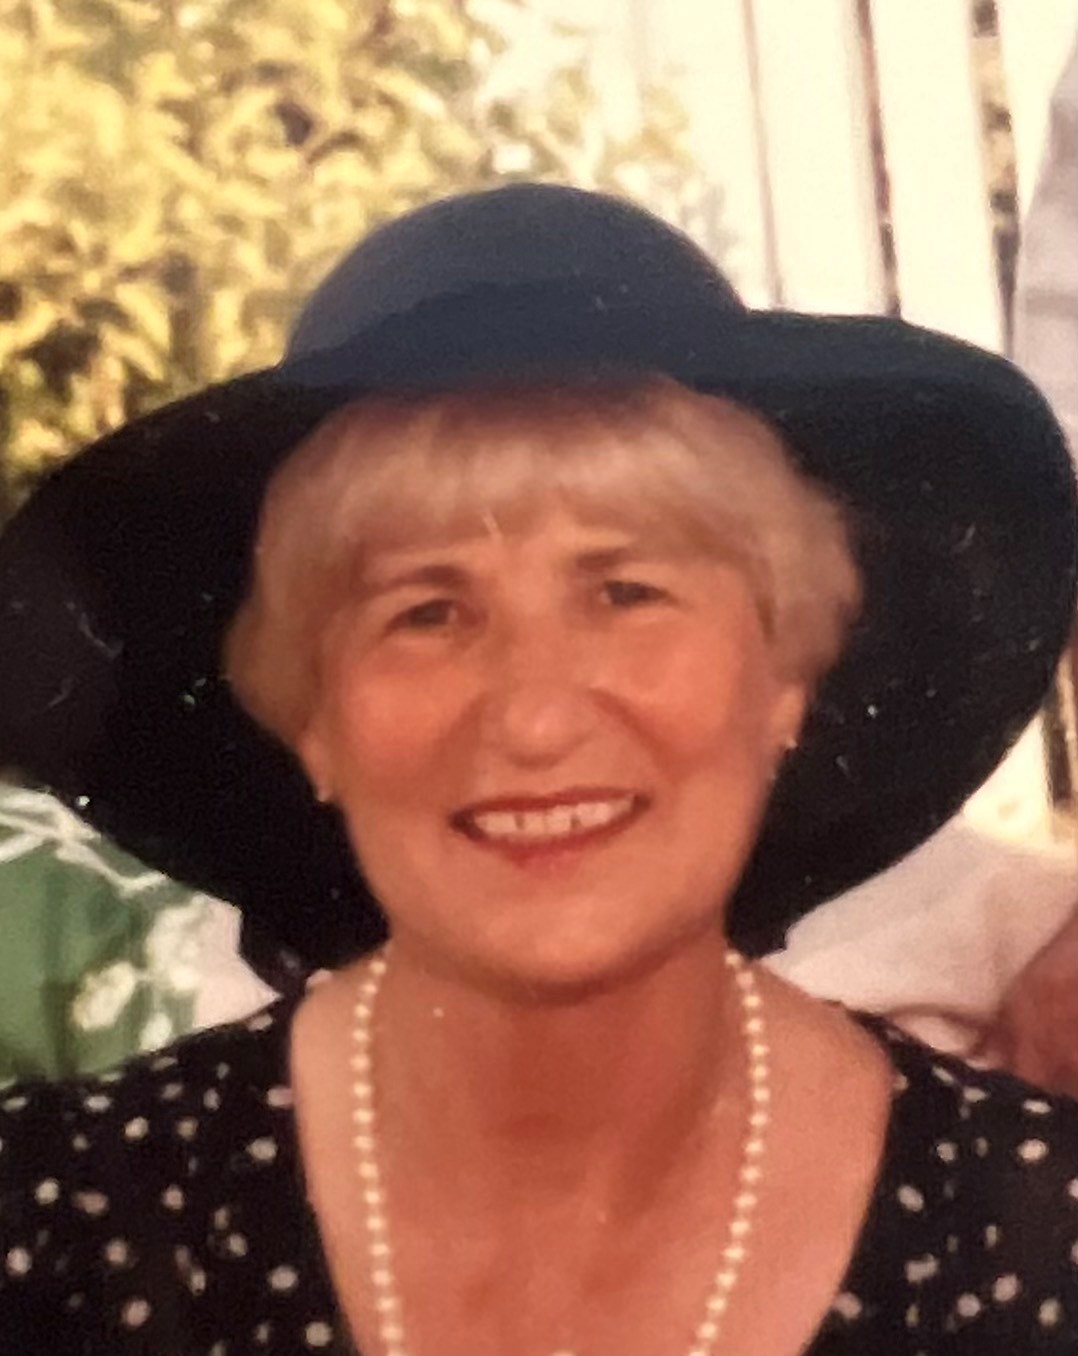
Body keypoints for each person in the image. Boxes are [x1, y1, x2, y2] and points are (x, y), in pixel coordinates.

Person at [0, 183, 1077, 1355]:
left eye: (626, 591)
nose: (534, 717)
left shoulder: (1036, 1238)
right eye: (424, 612)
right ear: (312, 716)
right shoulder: (61, 1228)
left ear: (784, 677)